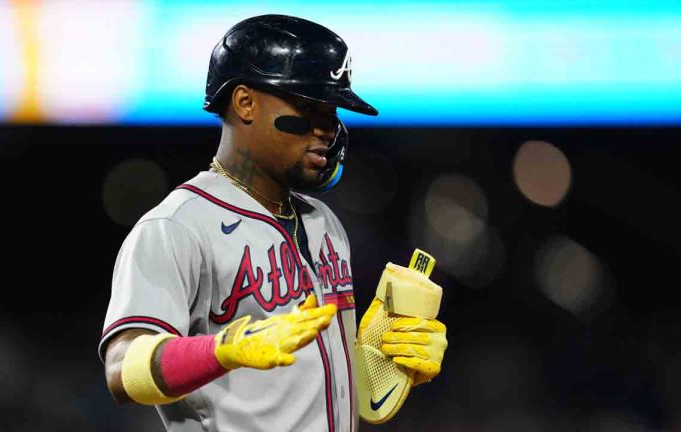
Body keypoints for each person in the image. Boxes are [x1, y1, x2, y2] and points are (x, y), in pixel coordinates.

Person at [99, 14, 447, 431]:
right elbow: (121, 369)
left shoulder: (325, 224)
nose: (328, 129)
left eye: (332, 111)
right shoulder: (178, 225)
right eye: (309, 108)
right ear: (245, 102)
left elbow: (314, 392)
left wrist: (382, 358)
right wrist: (222, 351)